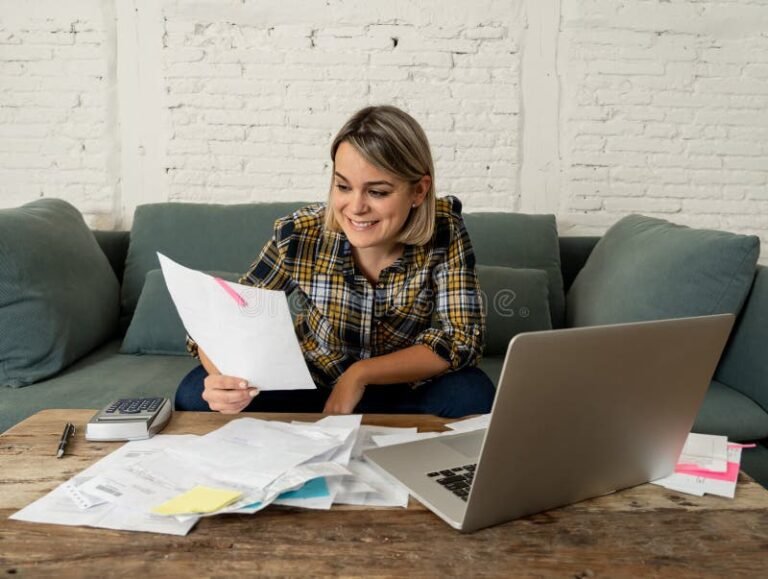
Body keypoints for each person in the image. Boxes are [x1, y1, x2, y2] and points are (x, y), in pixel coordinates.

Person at [175, 105, 496, 417]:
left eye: (378, 192)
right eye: (343, 186)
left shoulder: (445, 231)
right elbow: (224, 319)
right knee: (193, 393)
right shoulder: (300, 235)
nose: (355, 207)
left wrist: (360, 374)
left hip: (401, 388)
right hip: (312, 388)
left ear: (418, 191)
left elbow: (461, 339)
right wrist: (225, 383)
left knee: (473, 394)